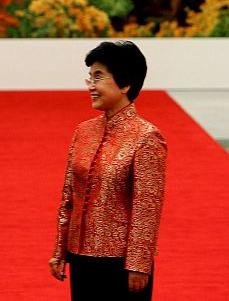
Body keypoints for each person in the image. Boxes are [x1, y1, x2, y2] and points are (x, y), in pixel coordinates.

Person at [49, 40, 166, 301]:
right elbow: (68, 197)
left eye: (99, 77)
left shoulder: (146, 137)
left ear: (125, 84)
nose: (91, 86)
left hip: (121, 263)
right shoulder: (83, 132)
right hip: (80, 256)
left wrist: (139, 264)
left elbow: (147, 208)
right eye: (90, 77)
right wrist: (60, 250)